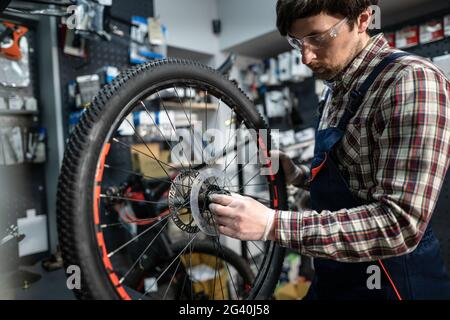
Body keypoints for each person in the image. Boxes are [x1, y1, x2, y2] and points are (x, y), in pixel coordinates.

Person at [209, 0, 450, 300]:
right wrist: (297, 175)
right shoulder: (335, 90)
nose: (305, 58)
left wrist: (272, 224)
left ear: (362, 20)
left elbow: (400, 225)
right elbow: (356, 185)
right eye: (297, 42)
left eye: (318, 38)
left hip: (394, 284)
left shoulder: (411, 81)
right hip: (335, 275)